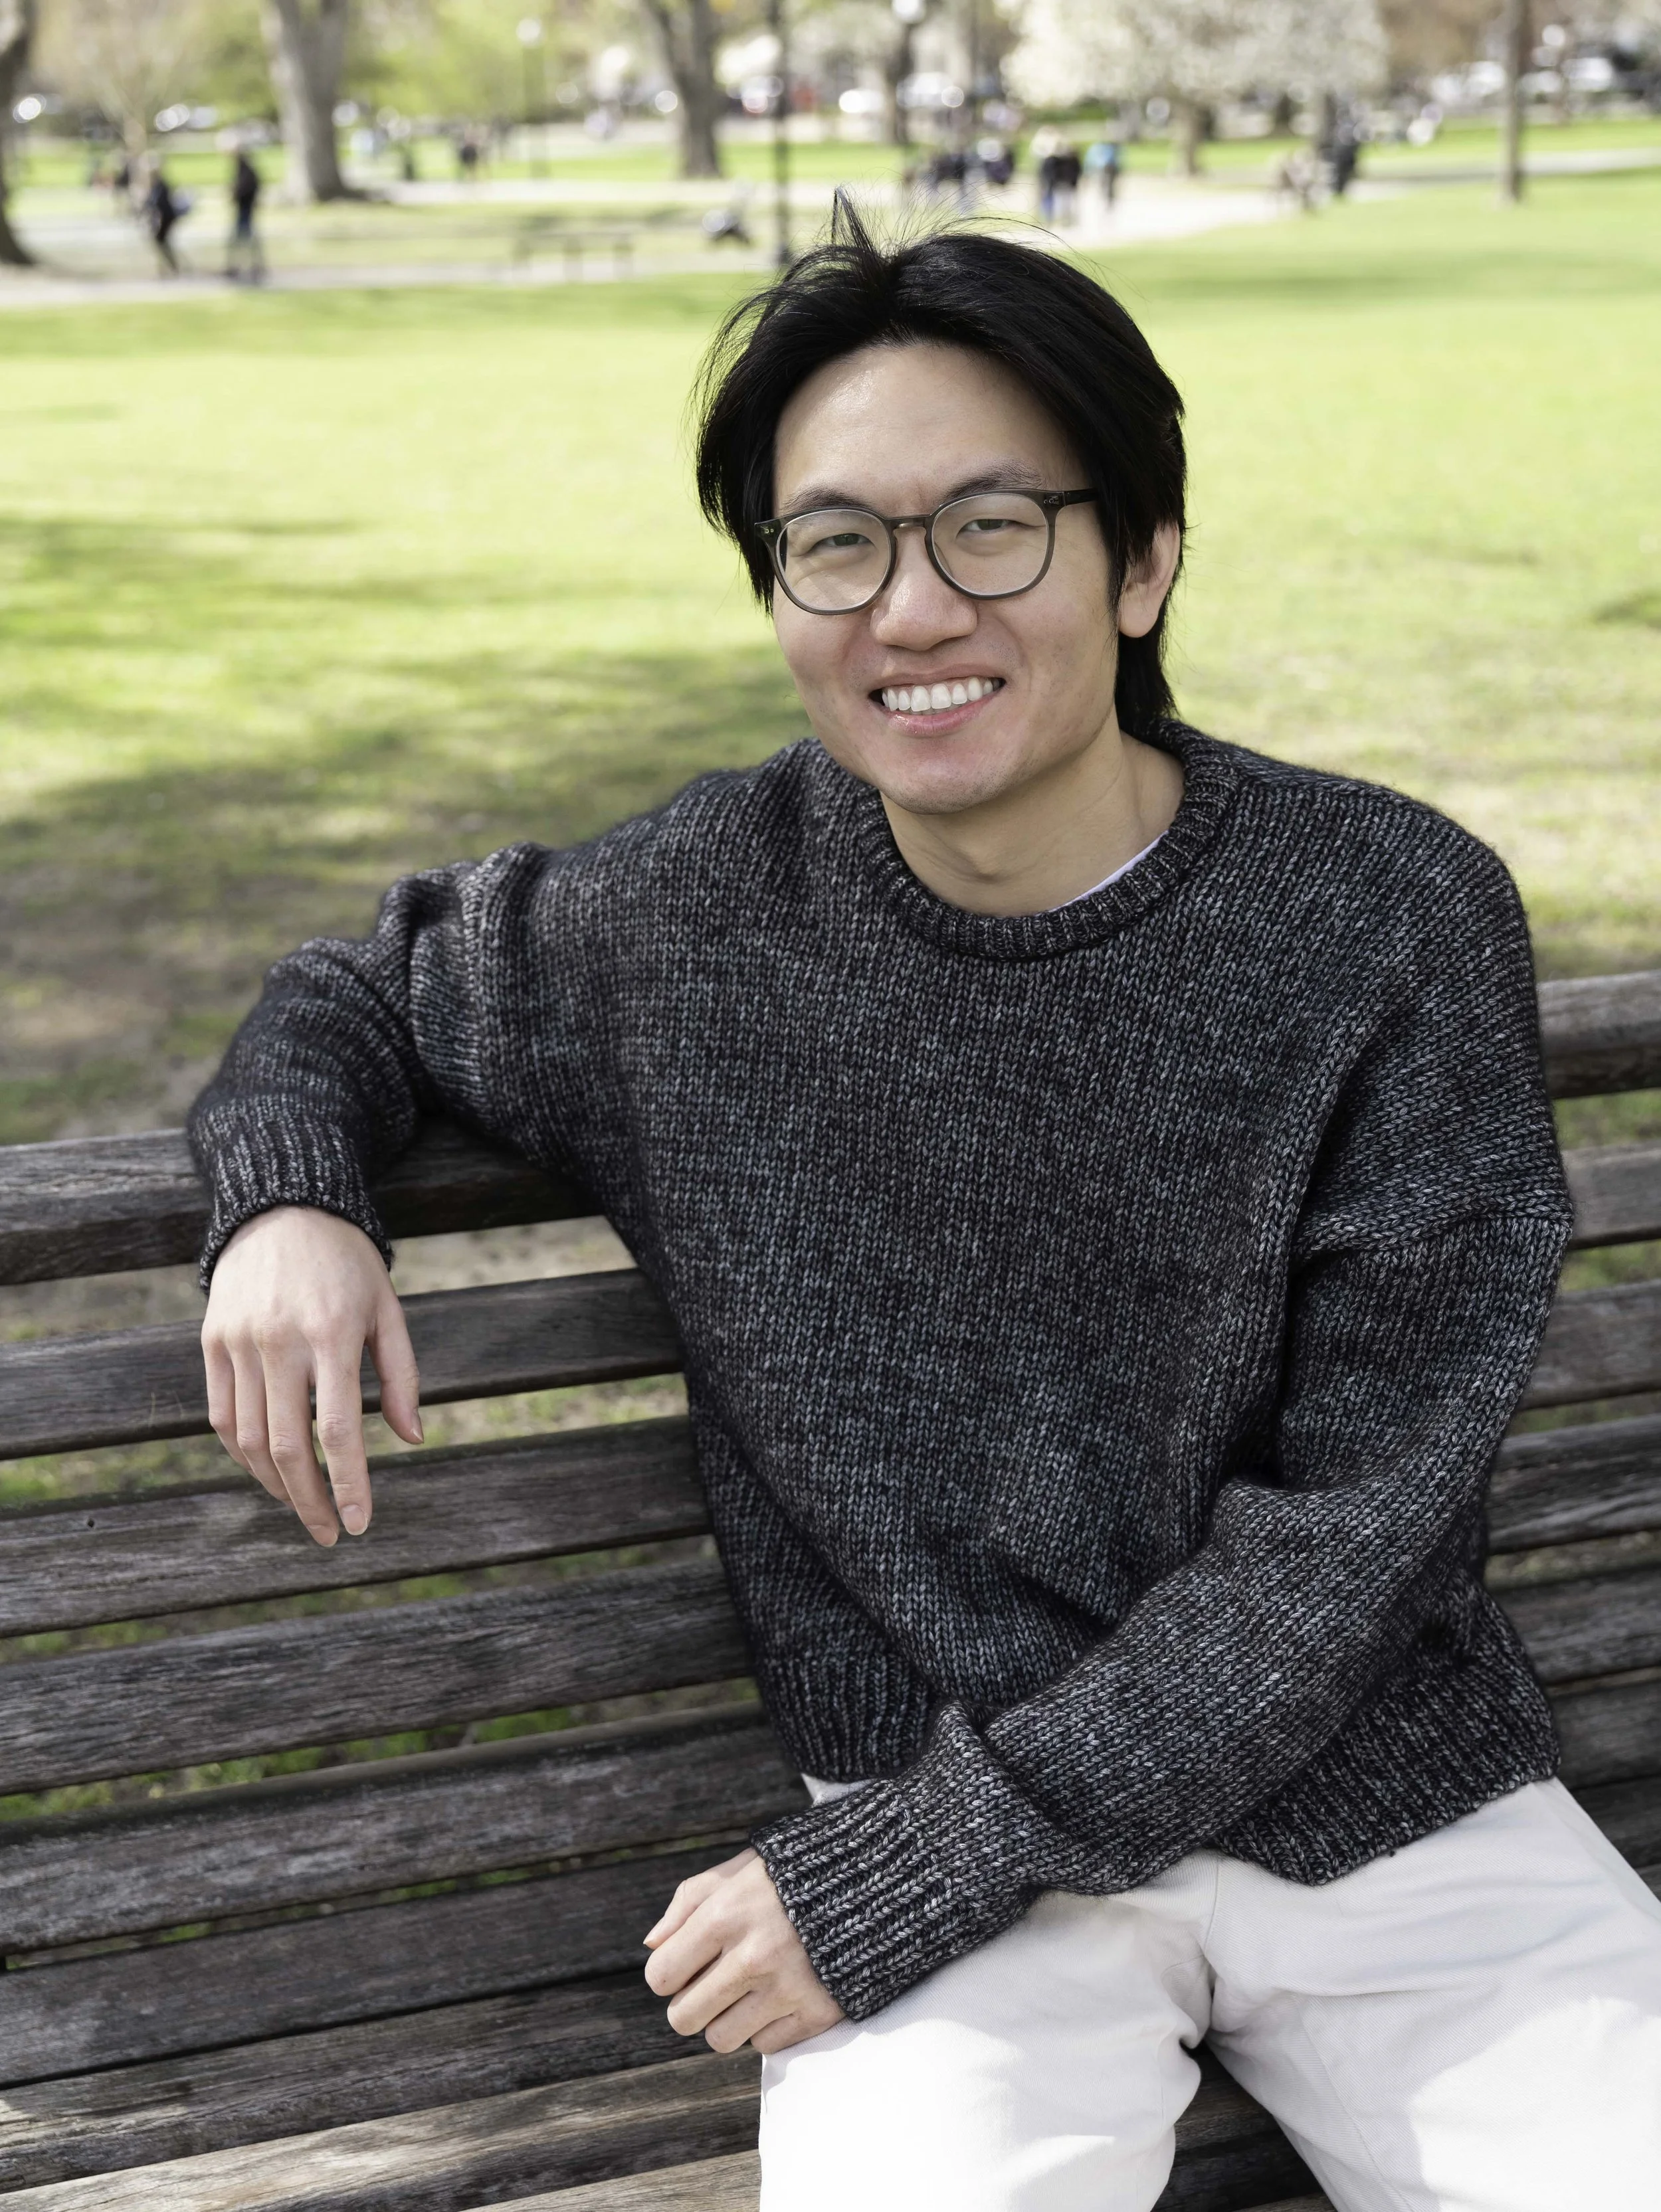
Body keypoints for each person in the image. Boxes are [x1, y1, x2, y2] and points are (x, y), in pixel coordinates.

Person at [187, 207, 1661, 2211]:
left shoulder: (1381, 918)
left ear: (1138, 564)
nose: (907, 611)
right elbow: (359, 992)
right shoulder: (687, 919)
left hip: (1376, 1819)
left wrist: (932, 1857)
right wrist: (289, 1203)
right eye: (834, 543)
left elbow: (1354, 1533)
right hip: (953, 1863)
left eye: (990, 529)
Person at [225, 147, 265, 283]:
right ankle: (244, 266)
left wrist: (234, 193)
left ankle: (248, 267)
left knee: (243, 241)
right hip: (244, 210)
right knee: (244, 241)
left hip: (245, 211)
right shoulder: (244, 170)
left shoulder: (245, 171)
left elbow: (244, 190)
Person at [143, 163, 186, 276]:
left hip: (167, 218)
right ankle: (167, 267)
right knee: (161, 242)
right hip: (163, 218)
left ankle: (172, 267)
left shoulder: (161, 186)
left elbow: (159, 204)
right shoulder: (156, 186)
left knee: (161, 242)